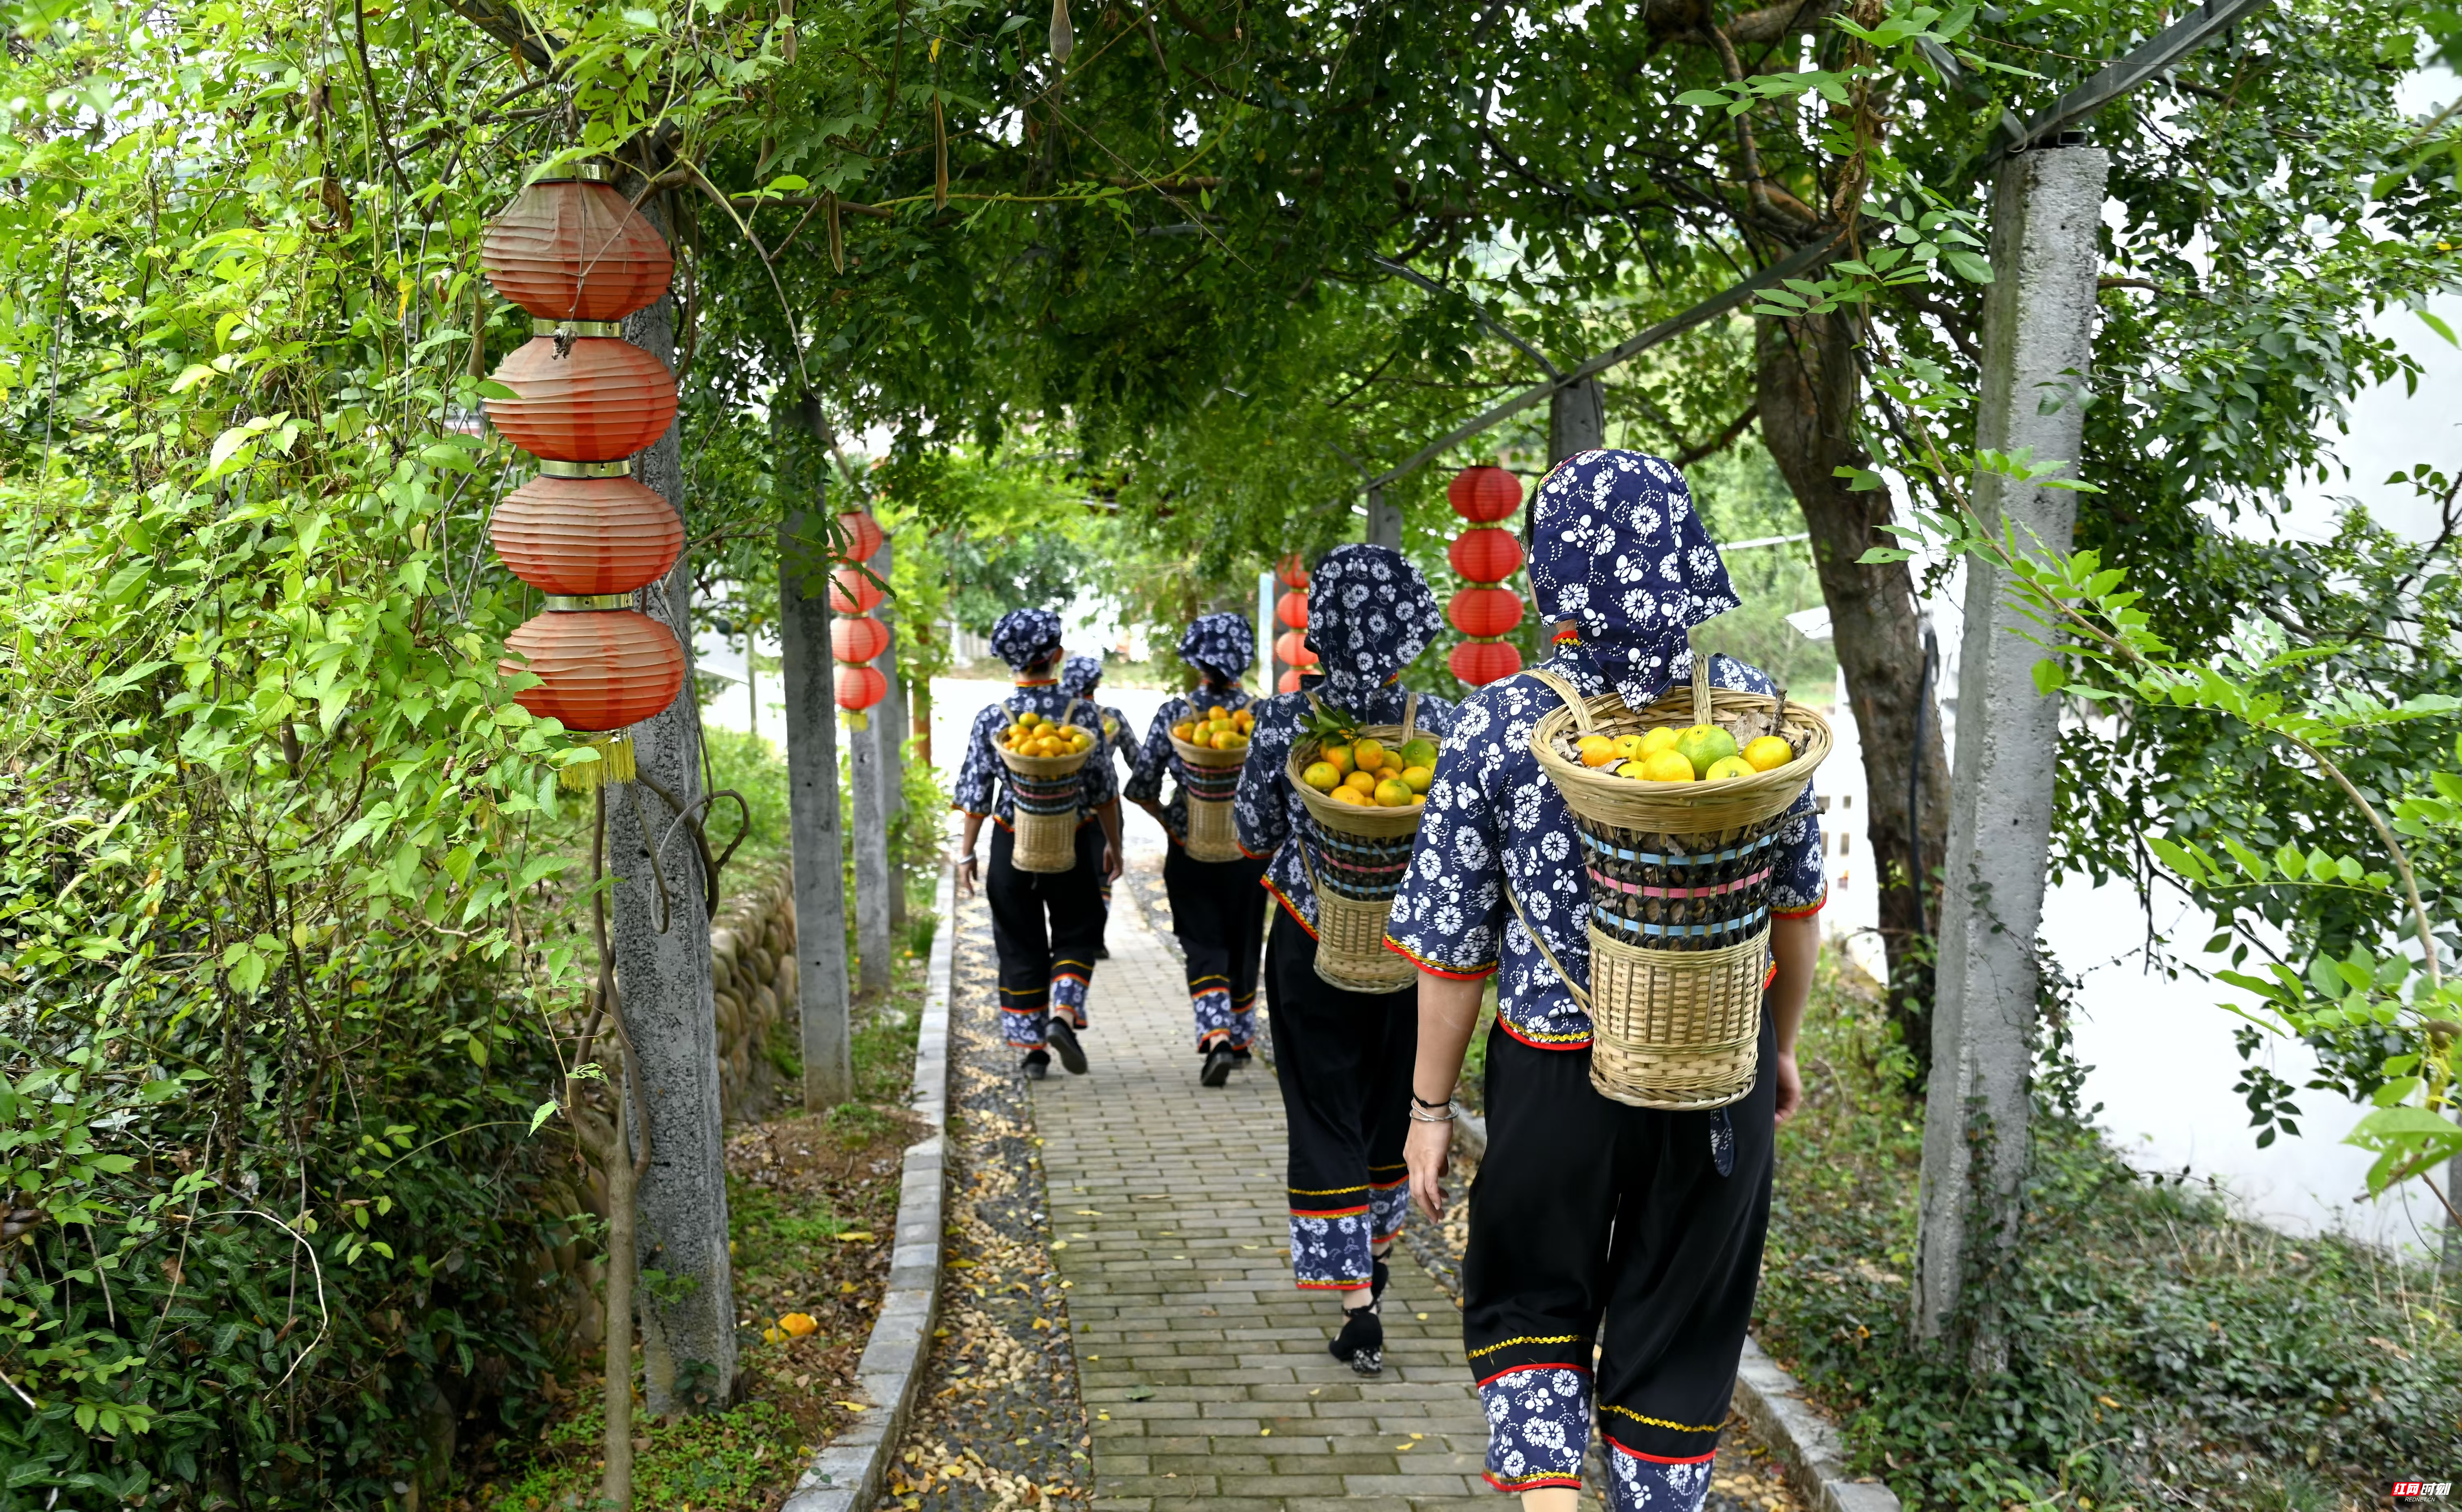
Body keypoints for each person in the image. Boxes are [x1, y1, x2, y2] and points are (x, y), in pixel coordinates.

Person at [1382, 451, 1825, 1512]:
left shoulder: (1496, 726)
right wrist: (1781, 1046)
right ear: (1689, 558)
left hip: (1554, 1078)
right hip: (1714, 1074)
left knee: (1533, 1295)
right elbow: (1798, 915)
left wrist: (1428, 1109)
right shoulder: (1760, 721)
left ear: (1546, 572)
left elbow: (1452, 952)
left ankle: (1548, 1498)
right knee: (1680, 1326)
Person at [1233, 545, 1454, 1375]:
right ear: (1408, 629)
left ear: (1320, 627)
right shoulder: (1438, 721)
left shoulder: (1288, 721)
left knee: (1321, 1105)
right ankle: (1374, 1247)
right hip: (1410, 945)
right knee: (1388, 1103)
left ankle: (1355, 1298)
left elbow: (1253, 831)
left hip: (1309, 933)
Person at [952, 609, 1126, 1080]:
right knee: (1079, 929)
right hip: (1070, 844)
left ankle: (1033, 1052)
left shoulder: (994, 717)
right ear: (1057, 656)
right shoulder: (1083, 713)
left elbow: (975, 795)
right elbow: (1105, 791)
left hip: (1012, 848)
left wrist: (966, 853)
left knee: (1018, 943)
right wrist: (1115, 845)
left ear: (1010, 661)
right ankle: (1063, 1017)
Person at [1124, 613, 1269, 1088]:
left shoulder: (1175, 714)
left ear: (1197, 662)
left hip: (1191, 848)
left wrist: (1171, 822)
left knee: (1202, 941)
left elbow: (1142, 784)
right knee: (1245, 939)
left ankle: (1217, 1034)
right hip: (1247, 852)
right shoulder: (1262, 715)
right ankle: (1243, 1038)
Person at [1062, 652, 1138, 961]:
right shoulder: (1111, 716)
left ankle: (1070, 936)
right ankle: (1095, 939)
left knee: (1069, 873)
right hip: (1106, 807)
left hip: (1065, 809)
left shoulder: (1061, 719)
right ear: (1097, 682)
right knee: (1103, 874)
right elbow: (1137, 758)